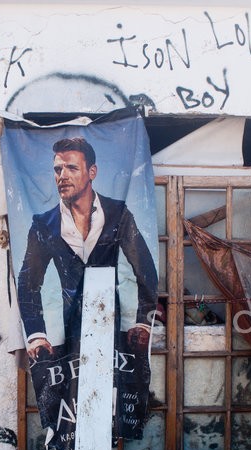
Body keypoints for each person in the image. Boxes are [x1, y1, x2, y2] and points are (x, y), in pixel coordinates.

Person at [16, 137, 158, 361]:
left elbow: (145, 269)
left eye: (72, 168)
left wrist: (142, 322)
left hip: (110, 323)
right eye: (58, 169)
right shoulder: (44, 224)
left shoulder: (118, 213)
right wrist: (36, 335)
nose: (62, 176)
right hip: (68, 330)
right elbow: (28, 283)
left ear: (92, 172)